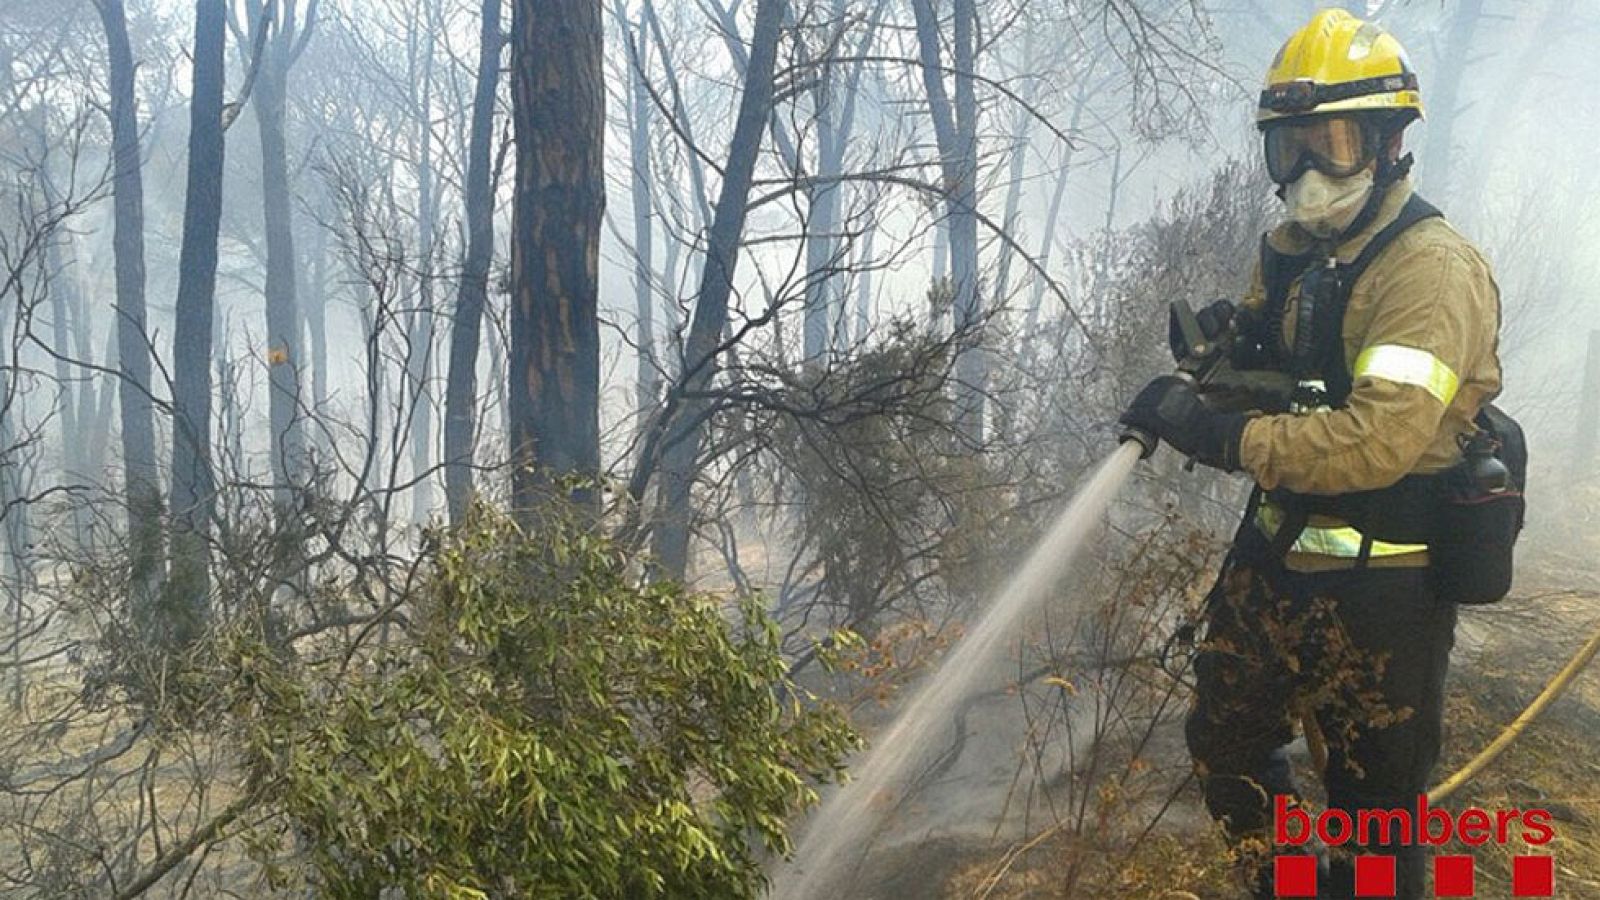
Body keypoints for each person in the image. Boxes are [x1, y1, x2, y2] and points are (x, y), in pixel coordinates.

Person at [1117, 9, 1503, 899]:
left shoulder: (1432, 272)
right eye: (1287, 147)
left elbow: (1375, 440)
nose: (1303, 173)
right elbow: (1284, 369)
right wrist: (1226, 354)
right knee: (1226, 743)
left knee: (1376, 813)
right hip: (1281, 553)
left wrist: (1222, 435)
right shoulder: (1294, 251)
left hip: (1388, 582)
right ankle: (1294, 889)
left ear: (1386, 140)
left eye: (1327, 143)